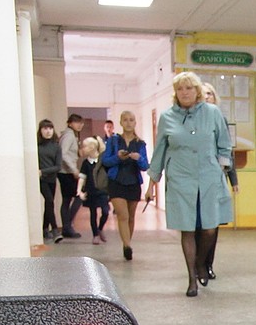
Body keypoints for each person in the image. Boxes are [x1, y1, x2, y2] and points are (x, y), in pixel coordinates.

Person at [146, 71, 234, 297]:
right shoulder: (167, 117)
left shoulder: (212, 113)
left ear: (197, 91)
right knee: (187, 228)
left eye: (189, 88)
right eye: (180, 89)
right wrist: (151, 183)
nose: (184, 93)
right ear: (175, 93)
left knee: (209, 228)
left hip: (209, 176)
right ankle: (191, 279)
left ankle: (201, 263)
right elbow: (159, 151)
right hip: (180, 178)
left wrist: (222, 169)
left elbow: (224, 144)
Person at [199, 82, 238, 281]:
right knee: (198, 225)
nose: (207, 97)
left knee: (213, 225)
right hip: (197, 178)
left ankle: (208, 264)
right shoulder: (192, 119)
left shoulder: (220, 119)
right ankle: (197, 263)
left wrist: (233, 179)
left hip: (216, 177)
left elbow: (227, 150)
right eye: (203, 94)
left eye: (210, 94)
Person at [101, 110, 149, 261]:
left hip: (133, 182)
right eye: (125, 120)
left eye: (131, 120)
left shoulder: (140, 143)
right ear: (121, 123)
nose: (128, 123)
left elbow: (145, 166)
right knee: (123, 215)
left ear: (135, 122)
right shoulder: (113, 141)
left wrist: (138, 158)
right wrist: (118, 157)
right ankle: (128, 246)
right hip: (116, 182)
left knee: (131, 217)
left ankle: (126, 242)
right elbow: (105, 161)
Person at [57, 113, 85, 239]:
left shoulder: (72, 135)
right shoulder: (69, 136)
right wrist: (73, 169)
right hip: (66, 172)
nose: (80, 125)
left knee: (67, 200)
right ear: (70, 123)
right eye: (76, 122)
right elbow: (63, 154)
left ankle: (67, 227)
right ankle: (67, 226)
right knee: (78, 196)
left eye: (81, 123)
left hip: (66, 171)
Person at [78, 137, 110, 245]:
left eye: (85, 146)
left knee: (105, 211)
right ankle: (95, 234)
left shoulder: (103, 161)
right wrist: (79, 191)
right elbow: (82, 177)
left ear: (92, 147)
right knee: (93, 213)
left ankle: (100, 228)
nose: (83, 149)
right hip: (91, 191)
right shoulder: (85, 163)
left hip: (103, 191)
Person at [36, 118, 61, 242]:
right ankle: (55, 229)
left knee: (49, 203)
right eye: (45, 128)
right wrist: (40, 173)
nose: (48, 131)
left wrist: (43, 171)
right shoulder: (37, 146)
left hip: (51, 178)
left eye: (50, 128)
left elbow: (58, 166)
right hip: (41, 180)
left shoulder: (56, 146)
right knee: (49, 201)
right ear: (40, 130)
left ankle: (45, 228)